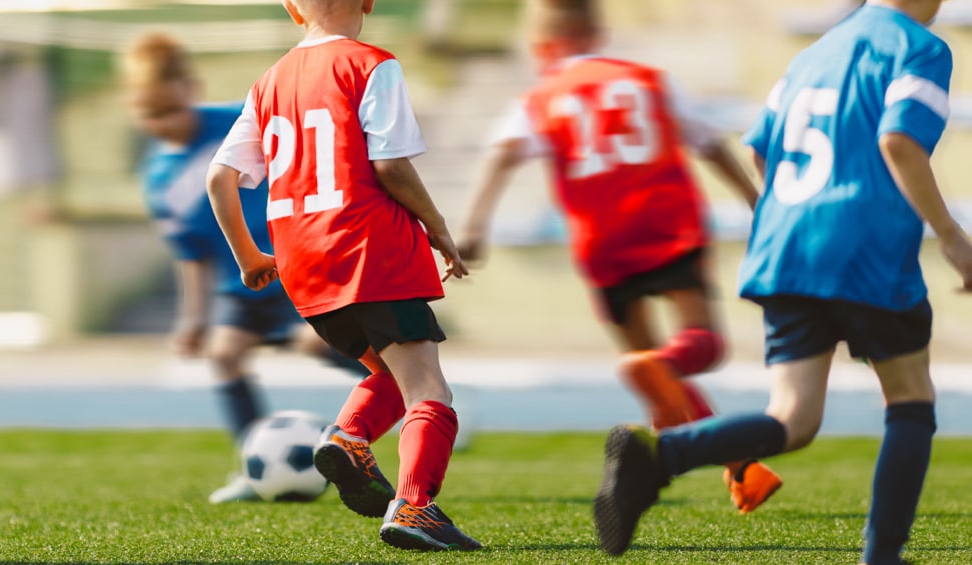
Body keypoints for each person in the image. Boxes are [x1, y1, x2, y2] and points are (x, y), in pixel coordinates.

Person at [593, 0, 972, 560]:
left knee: (792, 418)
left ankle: (659, 459)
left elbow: (756, 145)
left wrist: (798, 210)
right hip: (863, 243)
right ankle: (883, 555)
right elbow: (899, 141)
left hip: (786, 247)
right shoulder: (918, 46)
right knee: (910, 395)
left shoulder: (814, 53)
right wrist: (951, 234)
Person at [455, 0, 781, 514]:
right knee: (701, 347)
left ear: (544, 46)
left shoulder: (542, 94)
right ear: (596, 31)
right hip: (667, 221)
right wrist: (752, 198)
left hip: (602, 237)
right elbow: (710, 143)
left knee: (653, 371)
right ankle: (731, 453)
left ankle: (741, 467)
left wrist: (474, 226)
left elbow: (502, 149)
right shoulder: (647, 79)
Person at [208, 0, 478, 551]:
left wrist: (249, 258)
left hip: (304, 265)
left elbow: (221, 177)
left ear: (290, 8)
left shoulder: (269, 82)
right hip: (369, 250)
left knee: (393, 378)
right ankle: (415, 508)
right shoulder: (371, 64)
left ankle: (349, 438)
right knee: (430, 388)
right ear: (368, 2)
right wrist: (438, 224)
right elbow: (390, 164)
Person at [119, 32, 371, 504]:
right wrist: (193, 319)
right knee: (223, 355)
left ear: (190, 88)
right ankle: (255, 465)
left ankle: (405, 386)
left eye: (170, 109)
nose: (162, 123)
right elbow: (191, 253)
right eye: (149, 114)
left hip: (300, 264)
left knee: (318, 346)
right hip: (241, 283)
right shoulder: (159, 177)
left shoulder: (243, 119)